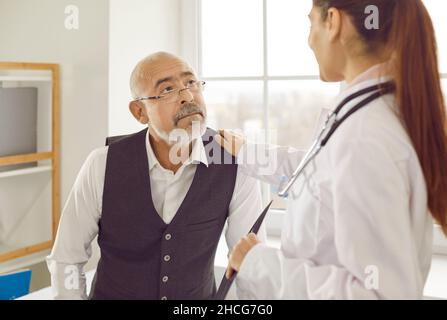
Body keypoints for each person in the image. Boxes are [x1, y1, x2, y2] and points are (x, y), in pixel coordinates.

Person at [216, 0, 447, 299]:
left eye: (311, 23)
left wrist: (259, 264)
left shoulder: (365, 136)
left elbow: (378, 294)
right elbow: (321, 177)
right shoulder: (368, 112)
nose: (309, 39)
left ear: (334, 22)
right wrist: (248, 152)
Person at [46, 52, 266, 300]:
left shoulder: (234, 162)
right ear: (140, 111)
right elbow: (67, 258)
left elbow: (251, 265)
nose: (187, 96)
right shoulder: (102, 165)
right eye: (168, 89)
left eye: (191, 83)